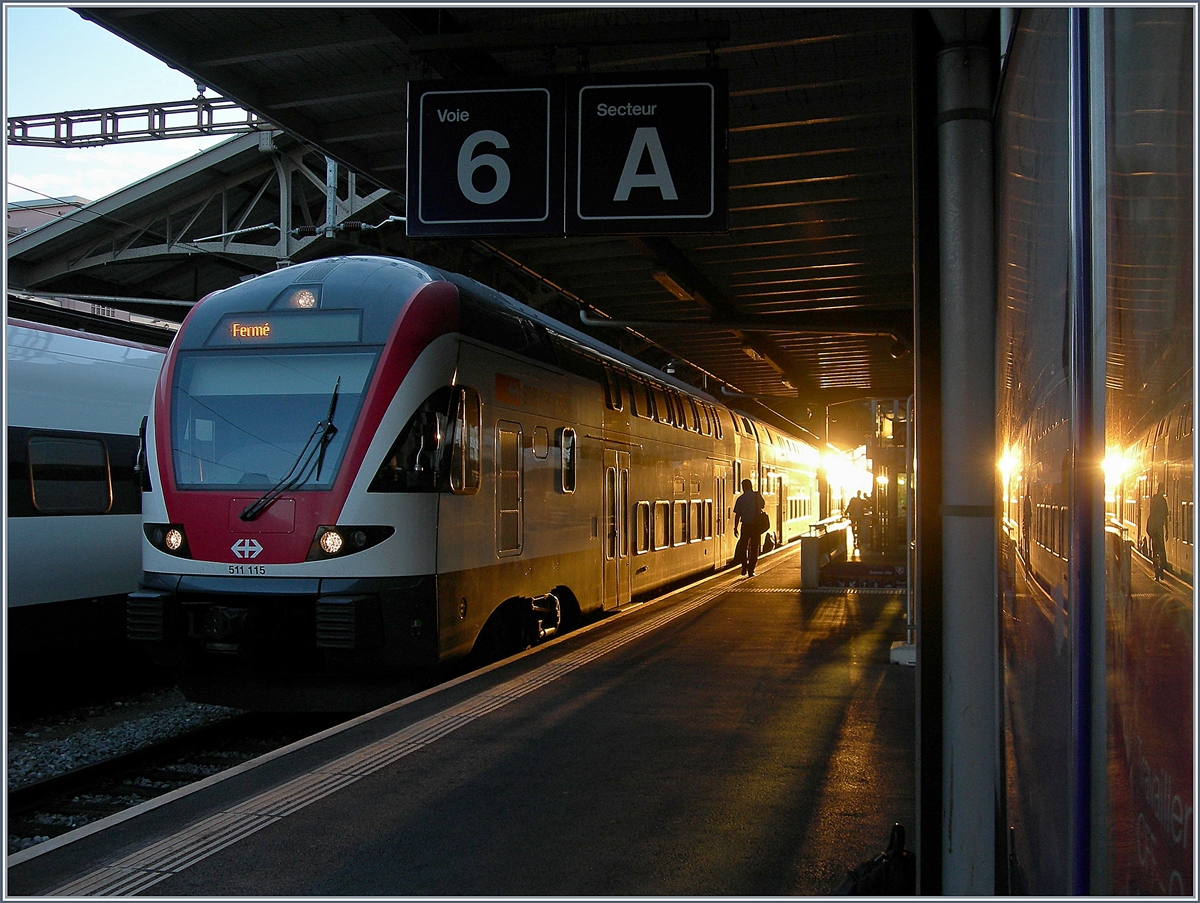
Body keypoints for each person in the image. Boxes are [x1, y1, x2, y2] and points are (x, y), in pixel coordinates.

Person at [733, 479, 766, 577]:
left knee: (743, 547)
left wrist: (735, 527)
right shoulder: (757, 496)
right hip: (756, 525)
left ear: (743, 487)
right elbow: (763, 506)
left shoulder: (740, 499)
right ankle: (751, 570)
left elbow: (737, 515)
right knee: (754, 547)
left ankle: (744, 566)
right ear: (751, 486)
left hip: (745, 526)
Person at [1146, 488, 1168, 581]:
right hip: (1158, 530)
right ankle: (1161, 571)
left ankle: (1156, 574)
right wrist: (1167, 531)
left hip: (1153, 530)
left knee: (1155, 551)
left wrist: (1149, 531)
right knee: (1162, 550)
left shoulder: (1153, 500)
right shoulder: (1163, 501)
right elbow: (1165, 518)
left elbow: (1151, 515)